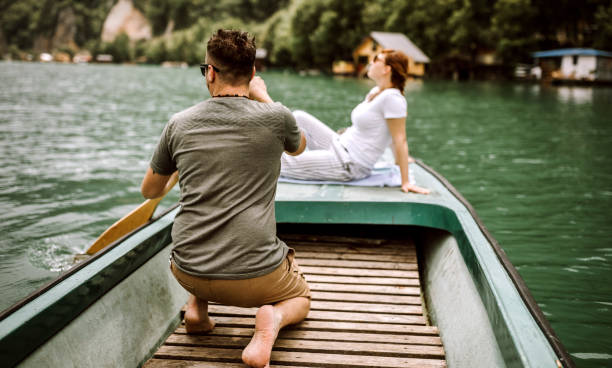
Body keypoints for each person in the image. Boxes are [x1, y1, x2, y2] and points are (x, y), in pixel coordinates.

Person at [140, 29, 310, 368]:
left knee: (205, 225)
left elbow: (151, 191)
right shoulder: (277, 117)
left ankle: (197, 311)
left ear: (211, 72)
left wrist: (178, 165)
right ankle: (272, 321)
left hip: (187, 268)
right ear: (252, 74)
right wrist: (264, 97)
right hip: (256, 278)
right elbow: (300, 145)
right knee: (301, 297)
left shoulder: (179, 124)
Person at [281, 49, 429, 194]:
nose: (371, 62)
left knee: (278, 162)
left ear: (387, 69)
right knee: (299, 117)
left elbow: (399, 138)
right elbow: (389, 133)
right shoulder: (376, 92)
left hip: (349, 163)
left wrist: (405, 181)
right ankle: (282, 149)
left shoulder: (393, 98)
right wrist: (399, 159)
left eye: (376, 59)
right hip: (339, 143)